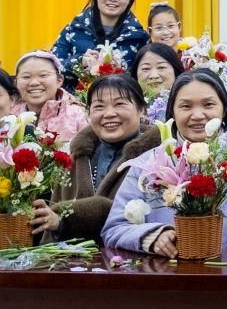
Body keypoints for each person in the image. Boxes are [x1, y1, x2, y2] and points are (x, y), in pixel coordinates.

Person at [103, 71, 227, 256]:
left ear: (225, 109)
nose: (197, 115)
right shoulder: (148, 163)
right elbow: (114, 229)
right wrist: (151, 236)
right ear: (172, 112)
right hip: (165, 271)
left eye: (208, 104)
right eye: (186, 106)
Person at [56, 74, 161, 244]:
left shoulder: (159, 158)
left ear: (142, 109)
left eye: (120, 104)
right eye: (99, 107)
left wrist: (67, 219)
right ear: (88, 112)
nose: (109, 114)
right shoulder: (74, 159)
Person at [50, 0, 150, 76]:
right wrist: (80, 62)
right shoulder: (72, 30)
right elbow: (52, 67)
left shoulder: (140, 36)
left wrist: (121, 70)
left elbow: (147, 73)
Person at [13, 52, 88, 138]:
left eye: (43, 75)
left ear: (59, 80)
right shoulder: (9, 115)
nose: (34, 83)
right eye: (26, 77)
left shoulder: (79, 115)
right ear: (16, 82)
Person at [129, 42, 184, 112]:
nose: (154, 76)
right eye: (146, 68)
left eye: (161, 67)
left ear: (175, 70)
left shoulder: (189, 103)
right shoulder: (128, 107)